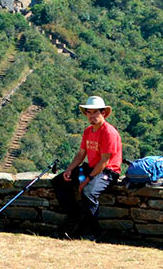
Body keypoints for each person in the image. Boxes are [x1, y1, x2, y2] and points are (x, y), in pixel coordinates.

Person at [52, 95, 122, 240]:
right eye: (89, 112)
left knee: (88, 193)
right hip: (91, 168)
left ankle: (96, 233)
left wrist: (88, 179)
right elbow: (81, 154)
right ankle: (75, 216)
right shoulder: (88, 131)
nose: (91, 116)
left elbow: (104, 161)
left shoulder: (109, 132)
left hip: (108, 172)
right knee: (58, 182)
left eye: (95, 112)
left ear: (103, 113)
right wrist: (69, 169)